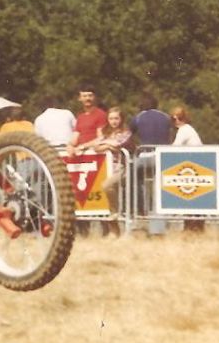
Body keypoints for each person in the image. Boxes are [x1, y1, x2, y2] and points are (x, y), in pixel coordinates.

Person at [130, 91, 172, 236]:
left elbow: (129, 134)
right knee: (159, 191)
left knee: (133, 180)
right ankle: (158, 228)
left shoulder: (139, 117)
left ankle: (140, 211)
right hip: (163, 156)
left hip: (145, 155)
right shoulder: (166, 117)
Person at [94, 107, 136, 237]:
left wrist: (105, 144)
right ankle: (114, 229)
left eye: (116, 118)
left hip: (122, 167)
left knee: (106, 185)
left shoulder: (126, 132)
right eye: (111, 118)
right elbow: (96, 146)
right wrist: (107, 145)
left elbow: (118, 144)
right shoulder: (106, 133)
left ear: (121, 119)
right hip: (107, 167)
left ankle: (115, 215)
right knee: (109, 192)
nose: (114, 121)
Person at [170, 106, 205, 232]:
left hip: (195, 164)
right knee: (194, 196)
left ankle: (193, 226)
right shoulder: (189, 129)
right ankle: (194, 226)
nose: (175, 122)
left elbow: (175, 147)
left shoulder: (184, 130)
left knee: (190, 195)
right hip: (198, 163)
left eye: (175, 119)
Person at [66, 85, 107, 157]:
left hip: (95, 155)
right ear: (80, 98)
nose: (87, 98)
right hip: (80, 155)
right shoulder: (80, 117)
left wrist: (83, 146)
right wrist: (70, 145)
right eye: (84, 96)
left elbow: (101, 138)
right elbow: (75, 137)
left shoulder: (101, 114)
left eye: (90, 96)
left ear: (95, 97)